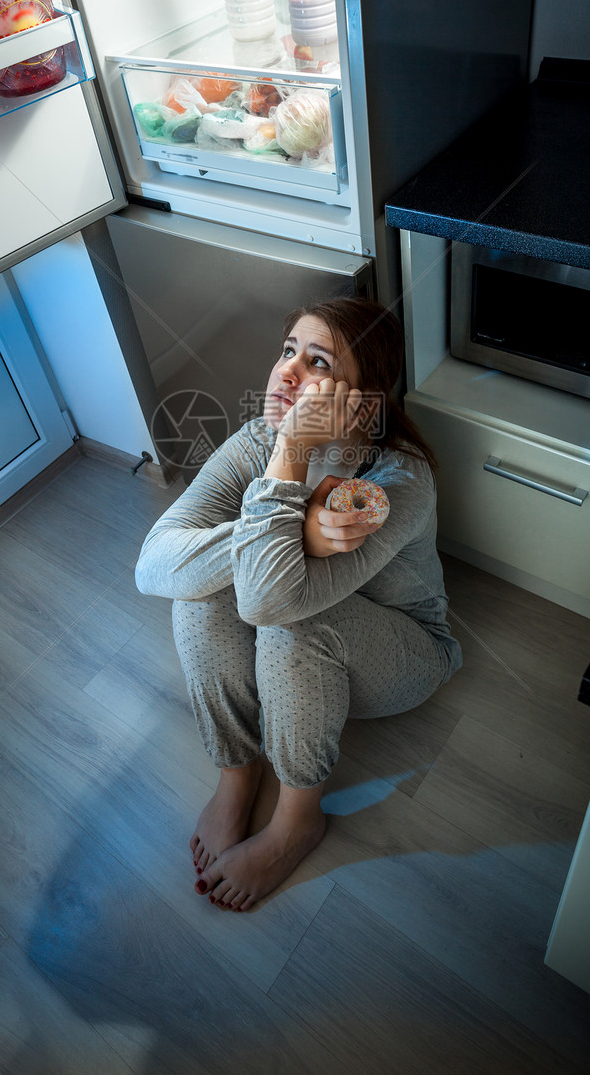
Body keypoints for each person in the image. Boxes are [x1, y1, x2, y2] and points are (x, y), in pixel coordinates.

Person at [134, 296, 461, 911]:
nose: (286, 372)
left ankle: (296, 822)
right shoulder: (256, 440)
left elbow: (265, 601)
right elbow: (152, 565)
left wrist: (287, 471)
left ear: (365, 401)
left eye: (316, 362)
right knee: (196, 594)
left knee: (289, 617)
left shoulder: (394, 480)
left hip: (403, 651)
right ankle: (237, 774)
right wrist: (290, 525)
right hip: (296, 633)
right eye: (287, 352)